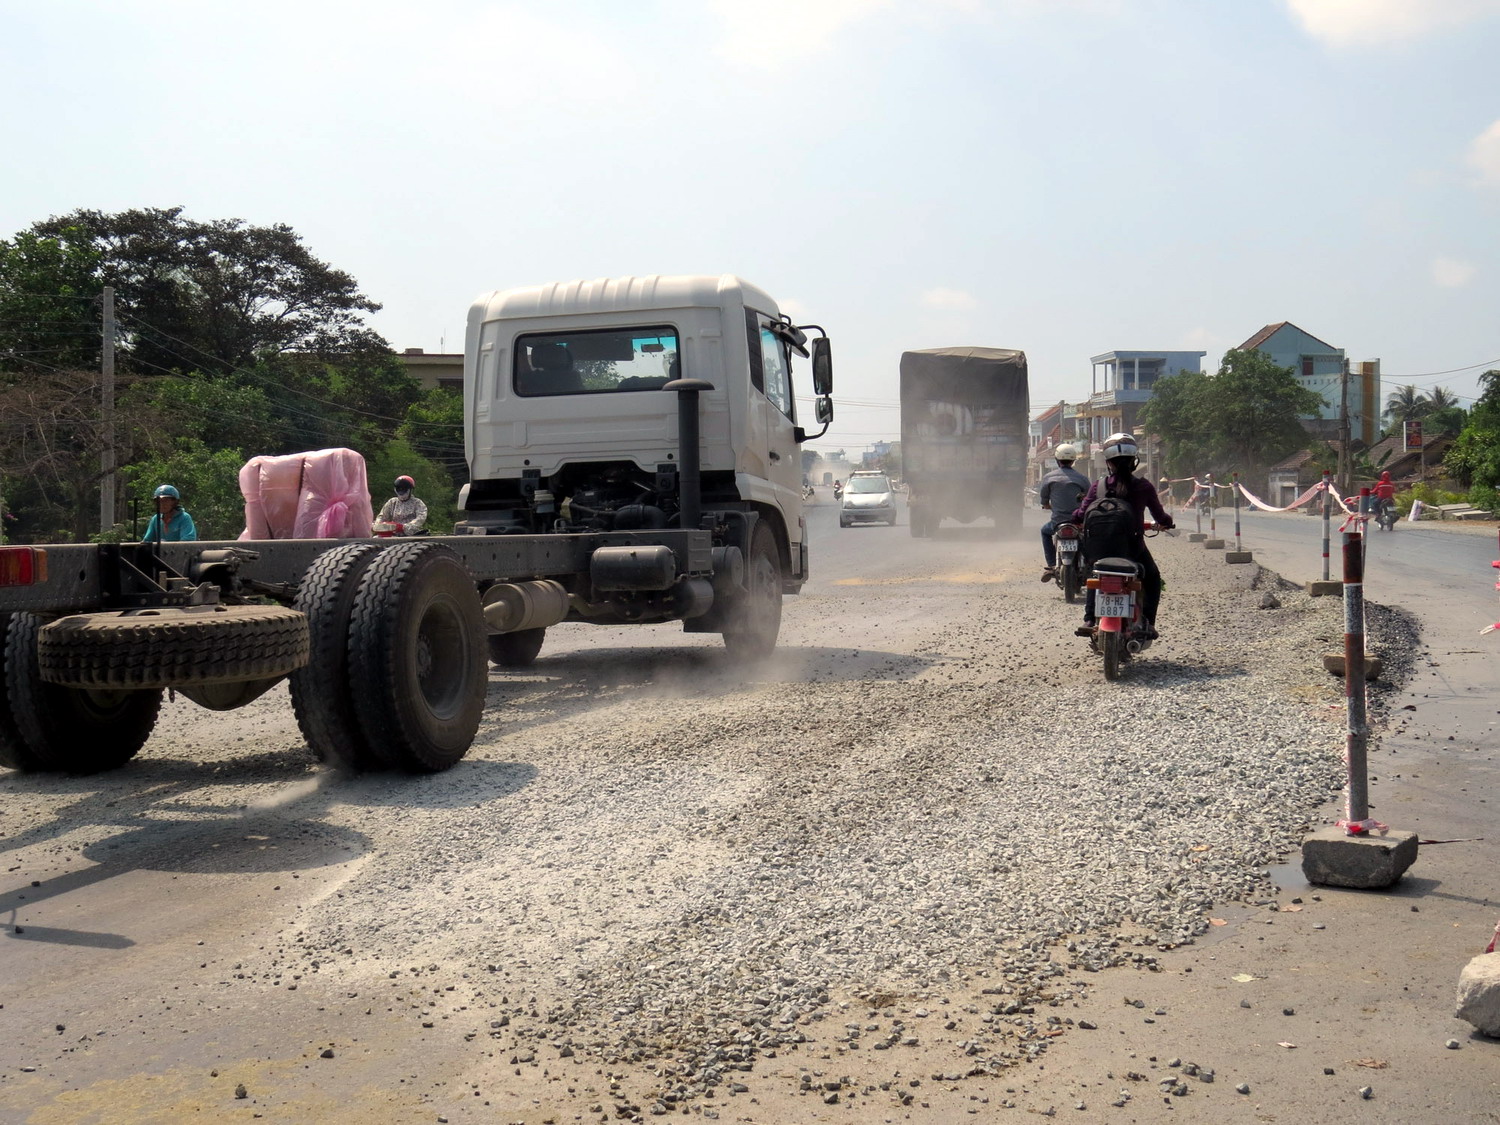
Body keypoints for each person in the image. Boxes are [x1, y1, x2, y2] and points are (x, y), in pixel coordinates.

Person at [1071, 433, 1174, 638]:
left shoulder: (1098, 487)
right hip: (1132, 550)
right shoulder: (1143, 486)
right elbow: (1160, 516)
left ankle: (1090, 618)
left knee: (1096, 572)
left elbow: (1080, 514)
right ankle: (1148, 622)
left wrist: (1075, 518)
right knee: (1153, 579)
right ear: (1134, 460)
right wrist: (1166, 523)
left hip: (1099, 550)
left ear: (1108, 462)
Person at [1038, 443, 1090, 581]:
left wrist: (1047, 505)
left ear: (1057, 459)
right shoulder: (1082, 479)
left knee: (1044, 531)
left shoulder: (1049, 477)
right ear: (1073, 461)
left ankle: (1051, 566)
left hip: (1058, 522)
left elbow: (1043, 500)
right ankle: (1090, 563)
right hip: (1078, 522)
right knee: (1087, 536)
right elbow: (1090, 498)